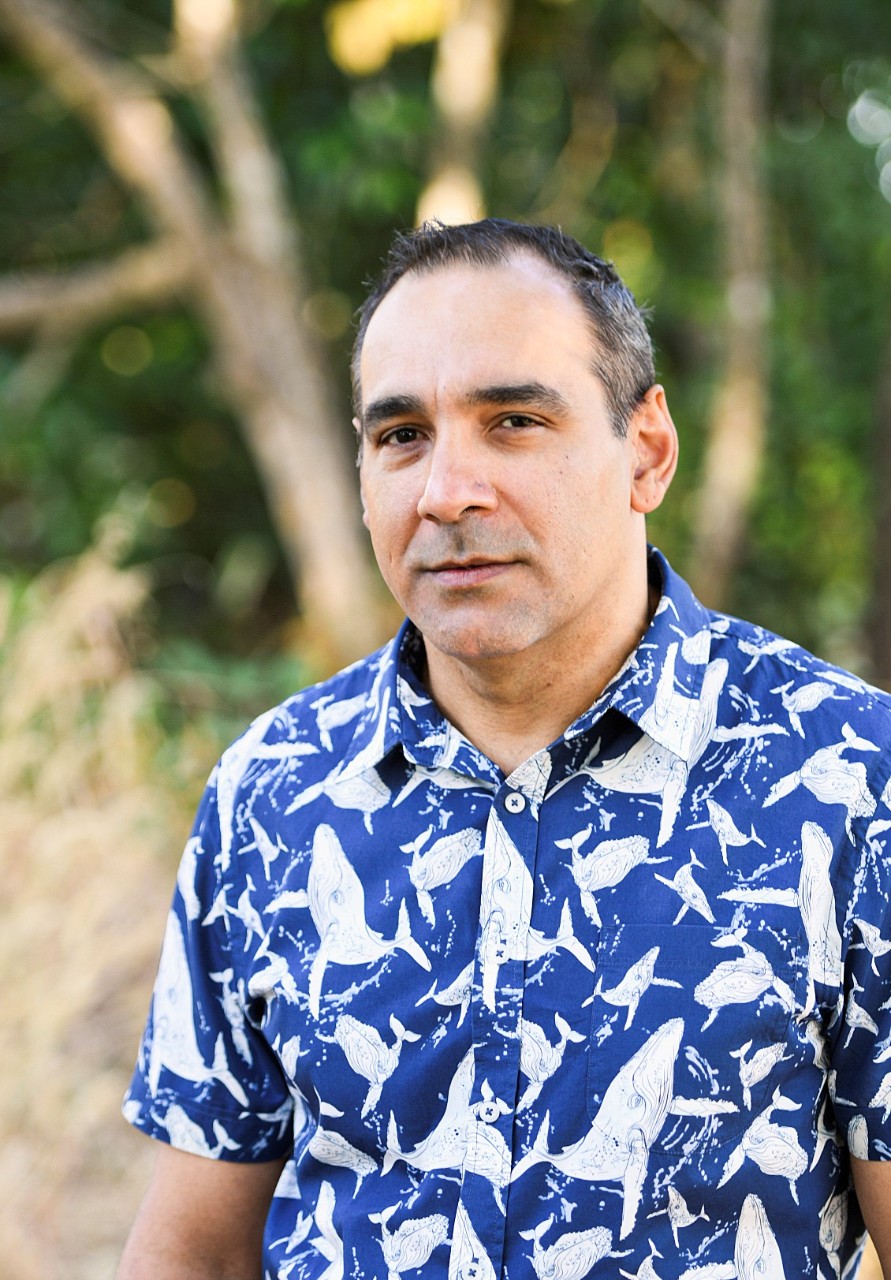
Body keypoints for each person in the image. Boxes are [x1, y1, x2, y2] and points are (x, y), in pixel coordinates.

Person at [117, 219, 891, 1280]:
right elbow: (194, 1252)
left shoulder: (848, 778)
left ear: (647, 451)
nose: (446, 491)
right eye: (401, 435)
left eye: (514, 421)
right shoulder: (273, 791)